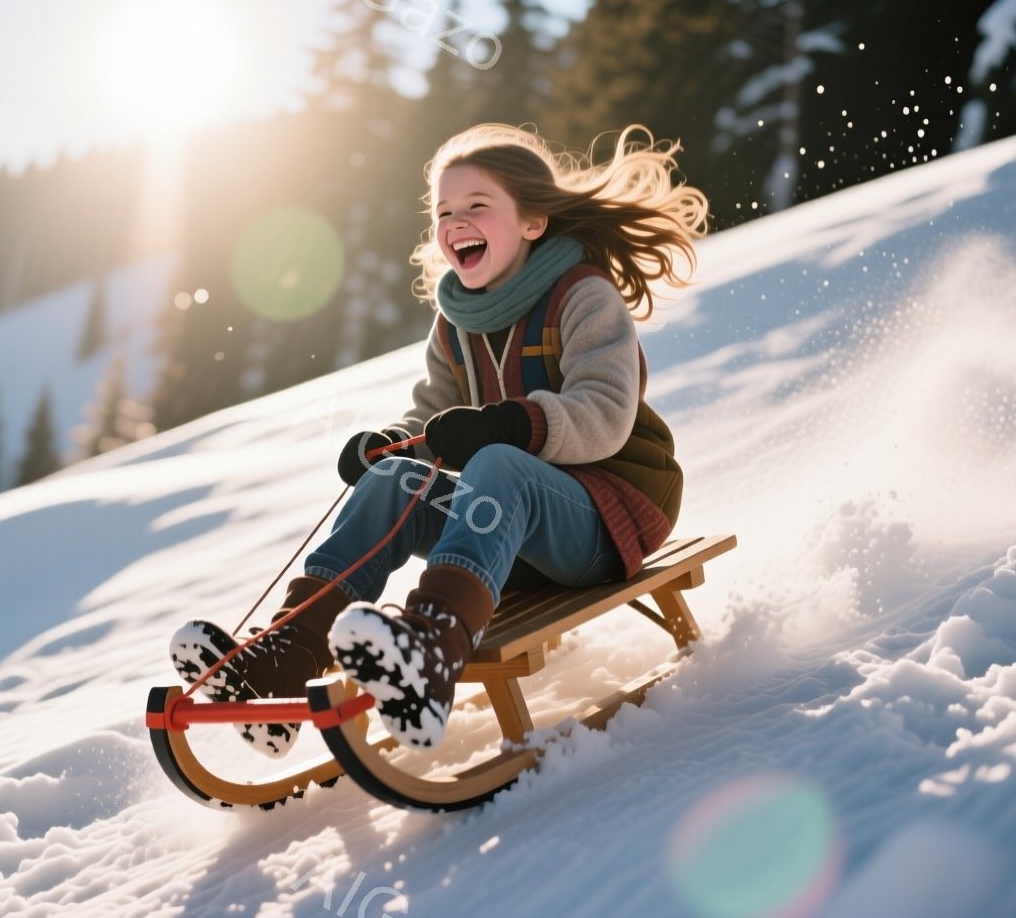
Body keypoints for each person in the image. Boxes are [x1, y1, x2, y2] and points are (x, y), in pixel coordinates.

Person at [169, 122, 708, 756]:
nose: (457, 222)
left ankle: (428, 660)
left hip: (607, 519)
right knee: (395, 479)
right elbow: (436, 418)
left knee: (500, 464)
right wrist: (391, 444)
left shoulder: (582, 295)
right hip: (507, 533)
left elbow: (605, 410)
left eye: (478, 206)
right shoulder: (456, 324)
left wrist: (510, 423)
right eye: (444, 211)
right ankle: (284, 662)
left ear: (533, 222)